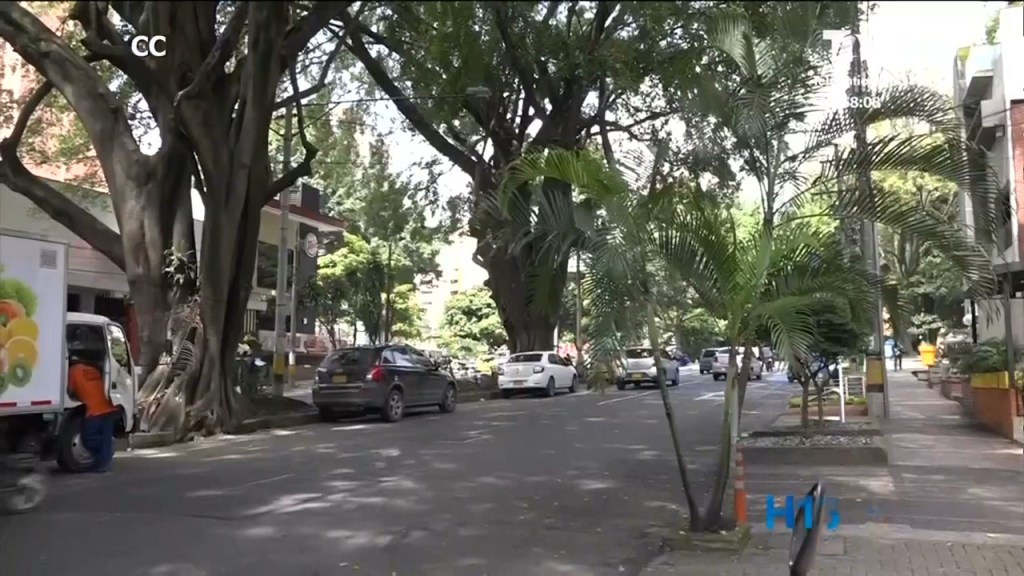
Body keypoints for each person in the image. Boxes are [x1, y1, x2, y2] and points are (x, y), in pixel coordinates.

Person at [67, 356, 117, 473]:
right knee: (103, 436)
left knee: (88, 438)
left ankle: (107, 448)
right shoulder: (93, 370)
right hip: (107, 408)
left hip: (94, 411)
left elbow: (70, 391)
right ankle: (105, 454)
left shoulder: (72, 372)